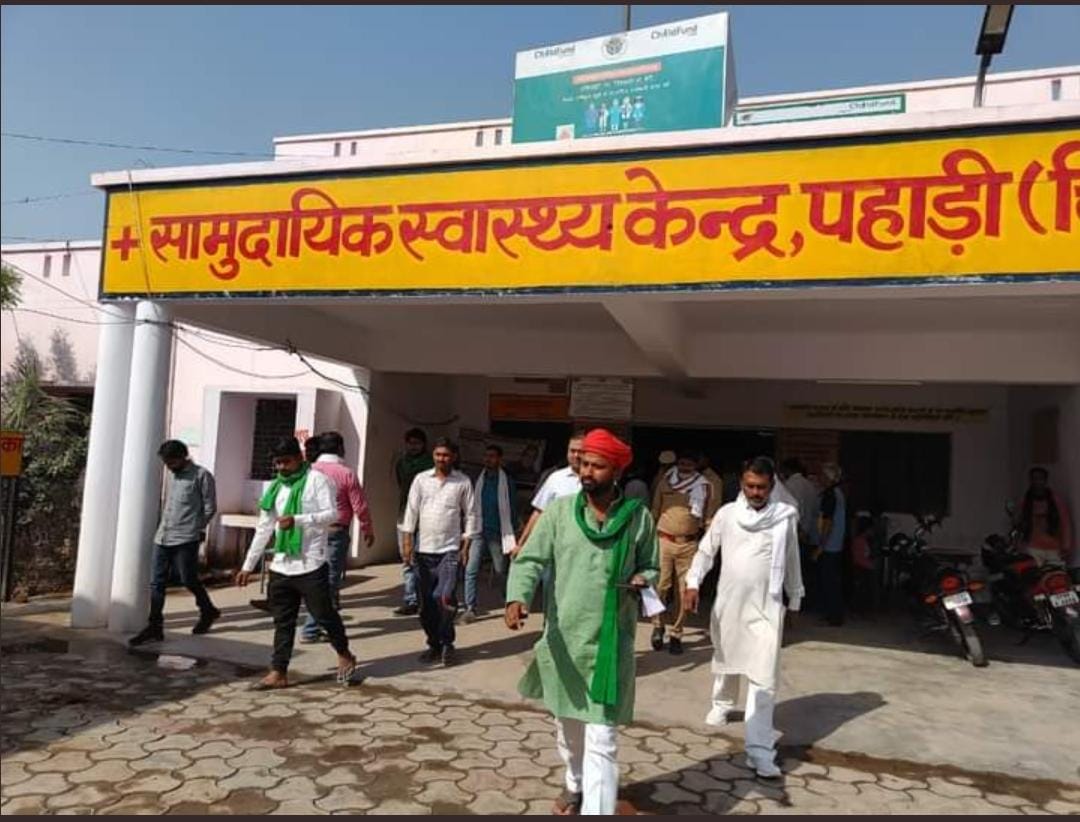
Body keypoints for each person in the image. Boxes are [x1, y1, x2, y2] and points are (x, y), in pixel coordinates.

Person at [505, 429, 659, 815]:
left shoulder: (637, 517)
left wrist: (643, 578)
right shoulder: (560, 512)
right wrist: (517, 596)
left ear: (617, 471)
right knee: (569, 727)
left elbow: (651, 565)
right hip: (565, 638)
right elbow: (530, 559)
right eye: (584, 464)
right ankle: (574, 782)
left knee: (602, 737)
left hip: (611, 642)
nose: (586, 471)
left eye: (597, 466)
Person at [683, 456, 803, 779]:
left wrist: (795, 598)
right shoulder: (727, 514)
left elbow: (792, 558)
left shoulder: (784, 518)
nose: (755, 492)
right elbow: (706, 550)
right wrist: (693, 582)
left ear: (772, 486)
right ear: (742, 484)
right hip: (730, 602)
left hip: (767, 607)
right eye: (750, 486)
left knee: (764, 678)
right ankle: (722, 703)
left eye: (762, 487)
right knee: (728, 657)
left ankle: (759, 750)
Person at [235, 437, 357, 690]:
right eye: (277, 463)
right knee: (283, 621)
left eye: (286, 462)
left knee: (324, 615)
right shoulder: (275, 488)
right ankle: (278, 671)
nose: (281, 467)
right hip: (281, 564)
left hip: (311, 562)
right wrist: (248, 565)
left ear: (299, 458)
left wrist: (299, 519)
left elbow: (333, 515)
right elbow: (264, 527)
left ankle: (344, 652)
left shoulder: (318, 480)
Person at [129, 440, 222, 646]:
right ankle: (155, 626)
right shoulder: (173, 476)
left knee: (187, 579)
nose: (169, 466)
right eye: (166, 462)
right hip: (163, 536)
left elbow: (210, 508)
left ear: (182, 457)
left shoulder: (201, 476)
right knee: (156, 582)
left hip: (186, 538)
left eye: (171, 461)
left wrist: (194, 528)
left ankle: (207, 610)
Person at [401, 437, 478, 666]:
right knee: (425, 604)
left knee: (444, 598)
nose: (441, 459)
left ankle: (447, 643)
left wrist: (466, 545)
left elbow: (471, 515)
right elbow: (411, 511)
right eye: (437, 454)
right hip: (423, 550)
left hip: (450, 551)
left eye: (445, 455)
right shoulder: (421, 480)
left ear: (453, 457)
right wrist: (407, 543)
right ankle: (433, 644)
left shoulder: (462, 482)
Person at [299, 431, 376, 643]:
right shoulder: (346, 473)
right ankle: (311, 628)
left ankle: (326, 624)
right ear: (341, 448)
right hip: (334, 531)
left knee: (315, 577)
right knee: (329, 581)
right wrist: (367, 529)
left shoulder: (308, 471)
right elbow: (359, 505)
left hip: (309, 531)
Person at [649, 449, 710, 654]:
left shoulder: (703, 486)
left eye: (689, 465)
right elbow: (655, 510)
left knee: (684, 591)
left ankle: (676, 633)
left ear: (695, 466)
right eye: (682, 463)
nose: (685, 468)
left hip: (689, 544)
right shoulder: (665, 482)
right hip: (664, 540)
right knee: (660, 586)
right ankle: (657, 625)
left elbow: (708, 515)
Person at [463, 444, 517, 622]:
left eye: (492, 456)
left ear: (499, 459)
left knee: (500, 571)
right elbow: (470, 506)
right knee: (471, 569)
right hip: (478, 530)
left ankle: (508, 601)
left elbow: (513, 508)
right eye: (486, 456)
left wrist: (513, 533)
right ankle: (470, 608)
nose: (488, 459)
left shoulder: (506, 482)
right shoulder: (478, 480)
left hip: (498, 532)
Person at [514, 430, 587, 553]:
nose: (576, 455)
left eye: (580, 452)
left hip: (586, 547)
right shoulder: (556, 478)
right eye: (572, 451)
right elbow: (538, 512)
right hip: (557, 546)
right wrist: (521, 544)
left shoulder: (599, 480)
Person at [394, 428, 434, 616]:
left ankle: (424, 598)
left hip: (425, 517)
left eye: (417, 443)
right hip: (404, 515)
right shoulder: (402, 463)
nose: (413, 447)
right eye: (410, 443)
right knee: (407, 559)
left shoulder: (430, 465)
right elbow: (400, 484)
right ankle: (411, 599)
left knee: (423, 560)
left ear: (424, 445)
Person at [779, 458, 821, 611]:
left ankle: (790, 605)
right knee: (804, 571)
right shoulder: (810, 485)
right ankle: (805, 604)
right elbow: (815, 510)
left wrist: (799, 529)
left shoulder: (790, 486)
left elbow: (792, 511)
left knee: (790, 571)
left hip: (796, 532)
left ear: (788, 470)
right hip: (809, 533)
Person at [1015, 466, 1074, 567]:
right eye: (1034, 478)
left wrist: (1066, 546)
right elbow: (1020, 524)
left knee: (1055, 575)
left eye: (1040, 478)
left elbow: (1065, 524)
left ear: (1045, 481)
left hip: (1053, 548)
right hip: (1033, 548)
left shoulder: (1056, 501)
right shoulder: (1025, 502)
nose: (1037, 482)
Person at [816, 462, 847, 626]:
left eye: (822, 475)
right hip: (836, 543)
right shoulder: (838, 493)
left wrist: (821, 545)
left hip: (830, 545)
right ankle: (833, 614)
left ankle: (833, 616)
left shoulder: (830, 495)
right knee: (833, 581)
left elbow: (827, 522)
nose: (820, 479)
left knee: (829, 582)